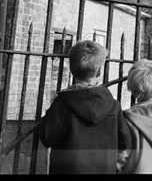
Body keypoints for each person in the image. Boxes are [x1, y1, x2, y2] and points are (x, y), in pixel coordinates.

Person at [39, 39, 131, 175]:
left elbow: (47, 138)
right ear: (99, 71)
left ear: (72, 69)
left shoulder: (62, 103)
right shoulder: (113, 106)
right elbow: (124, 141)